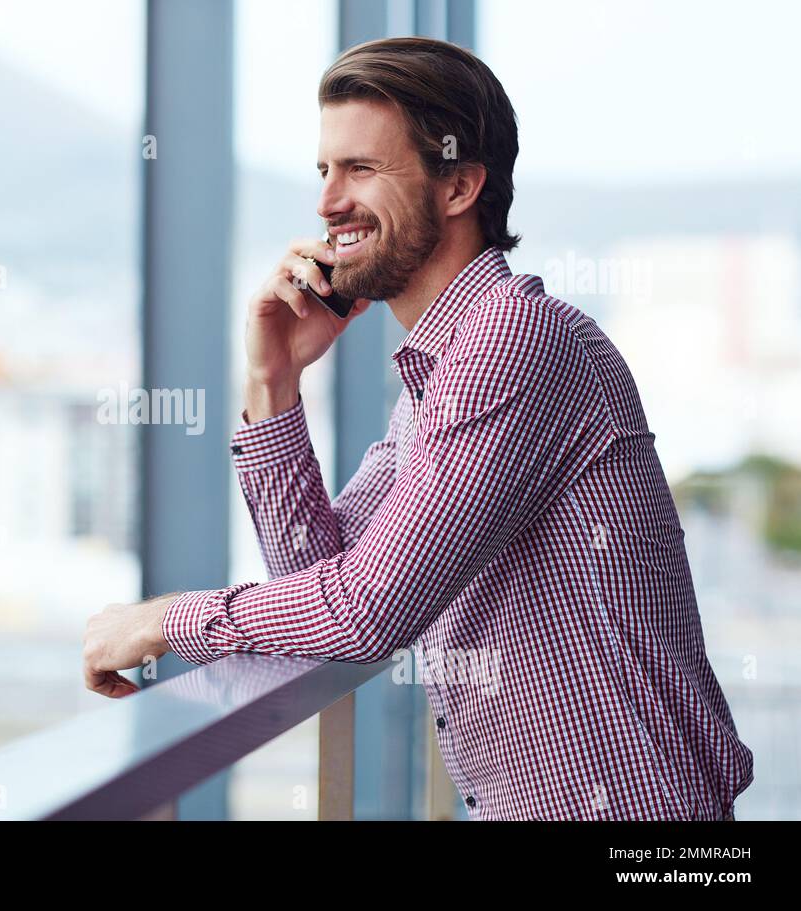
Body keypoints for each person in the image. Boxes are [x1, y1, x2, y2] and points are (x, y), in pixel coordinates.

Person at [82, 36, 752, 820]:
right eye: (325, 171)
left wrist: (162, 620)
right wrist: (274, 382)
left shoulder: (515, 342)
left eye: (361, 169)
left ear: (460, 185)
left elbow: (366, 610)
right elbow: (321, 582)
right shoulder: (437, 381)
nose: (329, 202)